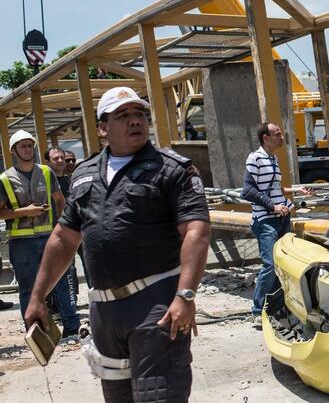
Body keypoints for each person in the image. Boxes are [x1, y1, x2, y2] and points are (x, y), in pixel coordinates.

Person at [24, 87, 211, 402]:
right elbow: (63, 239)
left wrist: (186, 296)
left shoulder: (171, 169)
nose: (135, 121)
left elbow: (197, 230)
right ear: (102, 127)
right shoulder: (84, 174)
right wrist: (38, 297)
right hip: (105, 314)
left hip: (156, 306)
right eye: (123, 115)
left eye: (139, 114)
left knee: (158, 396)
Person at [0, 131, 78, 335]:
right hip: (21, 242)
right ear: (13, 150)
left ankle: (71, 326)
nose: (27, 149)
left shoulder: (46, 172)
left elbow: (60, 200)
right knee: (28, 289)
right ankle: (35, 332)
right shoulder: (5, 179)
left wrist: (61, 226)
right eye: (23, 146)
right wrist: (25, 212)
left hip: (49, 237)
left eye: (29, 145)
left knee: (60, 282)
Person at [242, 122, 298, 318]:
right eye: (277, 134)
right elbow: (248, 191)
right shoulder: (255, 158)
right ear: (266, 138)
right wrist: (273, 207)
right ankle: (258, 310)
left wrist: (295, 193)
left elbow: (274, 190)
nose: (282, 137)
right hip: (265, 220)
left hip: (281, 219)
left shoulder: (272, 159)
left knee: (283, 264)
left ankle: (275, 307)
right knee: (270, 265)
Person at [44, 146, 80, 305]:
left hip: (78, 230)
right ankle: (63, 305)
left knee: (82, 265)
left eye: (62, 158)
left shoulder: (72, 181)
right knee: (64, 269)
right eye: (55, 158)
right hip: (57, 232)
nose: (61, 161)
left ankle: (74, 301)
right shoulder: (44, 184)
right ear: (47, 162)